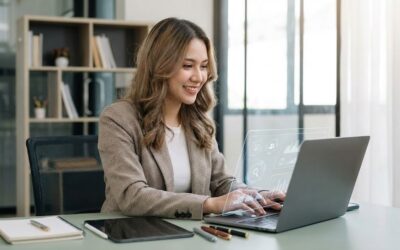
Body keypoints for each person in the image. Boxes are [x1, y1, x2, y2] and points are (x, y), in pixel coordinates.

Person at [98, 17, 284, 220]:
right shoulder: (118, 119)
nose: (199, 77)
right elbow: (132, 196)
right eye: (188, 66)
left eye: (203, 66)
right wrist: (209, 204)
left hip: (190, 235)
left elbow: (222, 183)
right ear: (159, 67)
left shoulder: (198, 122)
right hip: (130, 234)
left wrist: (259, 196)